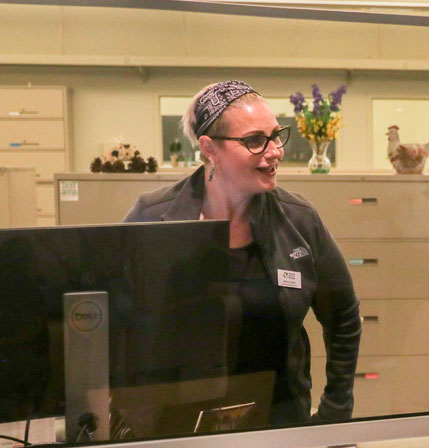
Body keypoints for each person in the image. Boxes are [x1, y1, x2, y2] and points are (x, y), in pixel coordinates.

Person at [124, 80, 360, 426]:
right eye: (254, 140)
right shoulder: (153, 218)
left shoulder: (298, 219)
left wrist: (335, 412)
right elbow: (117, 325)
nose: (275, 150)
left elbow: (343, 317)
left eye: (276, 135)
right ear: (209, 148)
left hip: (277, 427)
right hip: (175, 434)